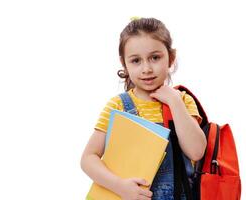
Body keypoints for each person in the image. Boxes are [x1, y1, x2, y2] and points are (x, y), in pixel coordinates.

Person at [80, 17, 207, 200]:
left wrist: (175, 102)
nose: (146, 68)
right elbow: (88, 159)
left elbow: (196, 151)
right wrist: (120, 186)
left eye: (155, 58)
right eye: (136, 61)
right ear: (124, 63)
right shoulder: (118, 106)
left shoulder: (183, 101)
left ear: (170, 58)